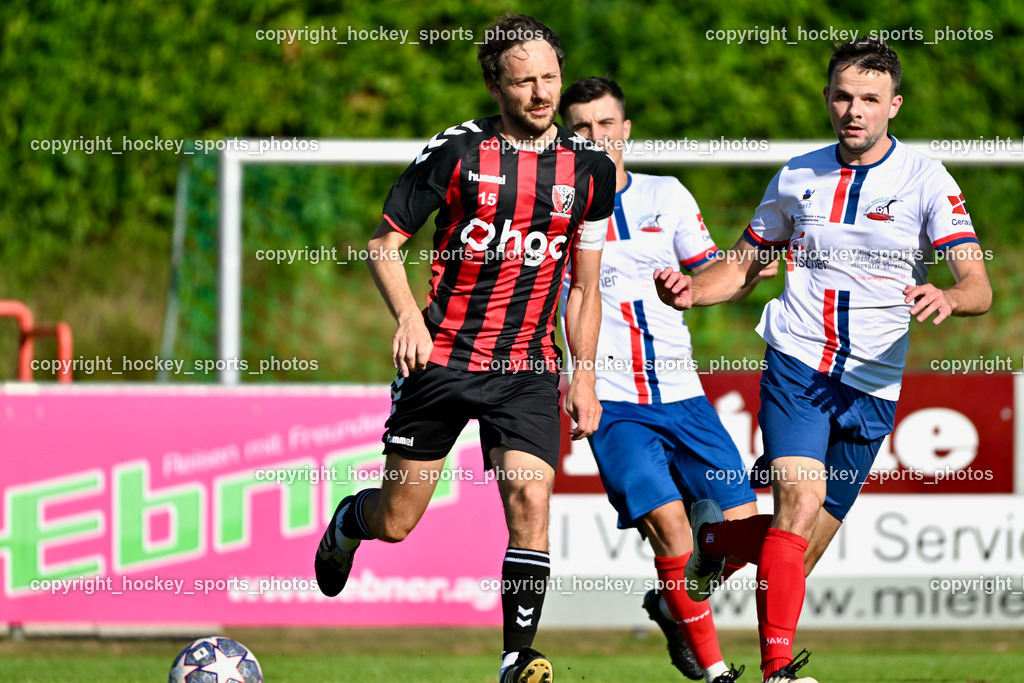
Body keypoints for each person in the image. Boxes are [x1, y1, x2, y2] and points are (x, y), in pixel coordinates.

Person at [654, 39, 992, 683]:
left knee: (797, 550)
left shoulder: (927, 180)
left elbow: (979, 286)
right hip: (799, 365)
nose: (853, 110)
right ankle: (778, 672)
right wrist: (695, 290)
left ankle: (716, 545)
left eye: (869, 98)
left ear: (895, 105)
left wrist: (948, 294)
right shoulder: (796, 175)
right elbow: (745, 264)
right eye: (842, 96)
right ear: (828, 100)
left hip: (873, 383)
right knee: (798, 506)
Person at [313, 13, 615, 683]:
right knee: (397, 521)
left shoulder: (591, 170)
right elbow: (383, 246)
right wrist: (407, 320)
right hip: (443, 358)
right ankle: (348, 521)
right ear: (494, 85)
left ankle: (517, 656)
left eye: (549, 78)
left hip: (528, 365)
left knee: (530, 500)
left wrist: (584, 375)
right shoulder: (456, 153)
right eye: (524, 82)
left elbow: (585, 288)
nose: (541, 94)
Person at [558, 77, 776, 683]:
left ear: (625, 131)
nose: (596, 137)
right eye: (581, 128)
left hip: (683, 395)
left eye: (606, 124)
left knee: (737, 533)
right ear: (566, 138)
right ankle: (715, 673)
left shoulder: (667, 194)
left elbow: (715, 274)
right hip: (613, 401)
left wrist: (748, 270)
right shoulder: (554, 206)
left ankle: (667, 604)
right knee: (672, 529)